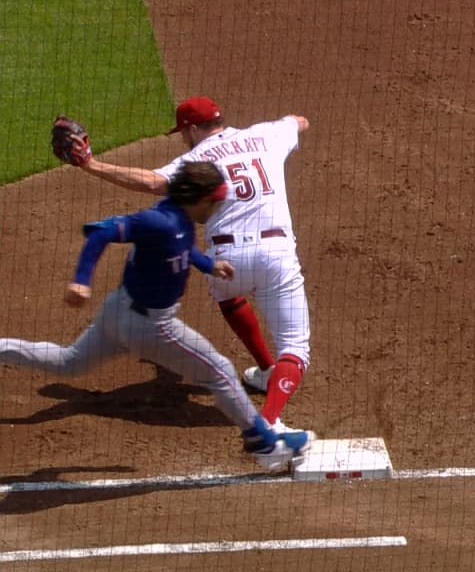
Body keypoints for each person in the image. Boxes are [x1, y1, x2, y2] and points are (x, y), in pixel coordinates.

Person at [0, 161, 313, 471]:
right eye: (215, 201)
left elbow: (180, 247)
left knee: (67, 362)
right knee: (220, 371)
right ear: (200, 198)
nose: (218, 208)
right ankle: (264, 445)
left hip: (117, 312)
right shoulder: (158, 221)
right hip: (150, 326)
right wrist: (81, 280)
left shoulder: (178, 218)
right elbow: (100, 232)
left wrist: (208, 265)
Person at [71, 96, 312, 427]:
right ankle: (268, 422)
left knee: (229, 293)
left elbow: (152, 181)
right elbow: (300, 121)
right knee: (296, 348)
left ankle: (266, 370)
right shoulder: (269, 134)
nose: (184, 138)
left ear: (196, 129)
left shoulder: (195, 162)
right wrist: (287, 124)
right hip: (277, 255)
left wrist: (91, 164)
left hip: (225, 261)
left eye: (184, 132)